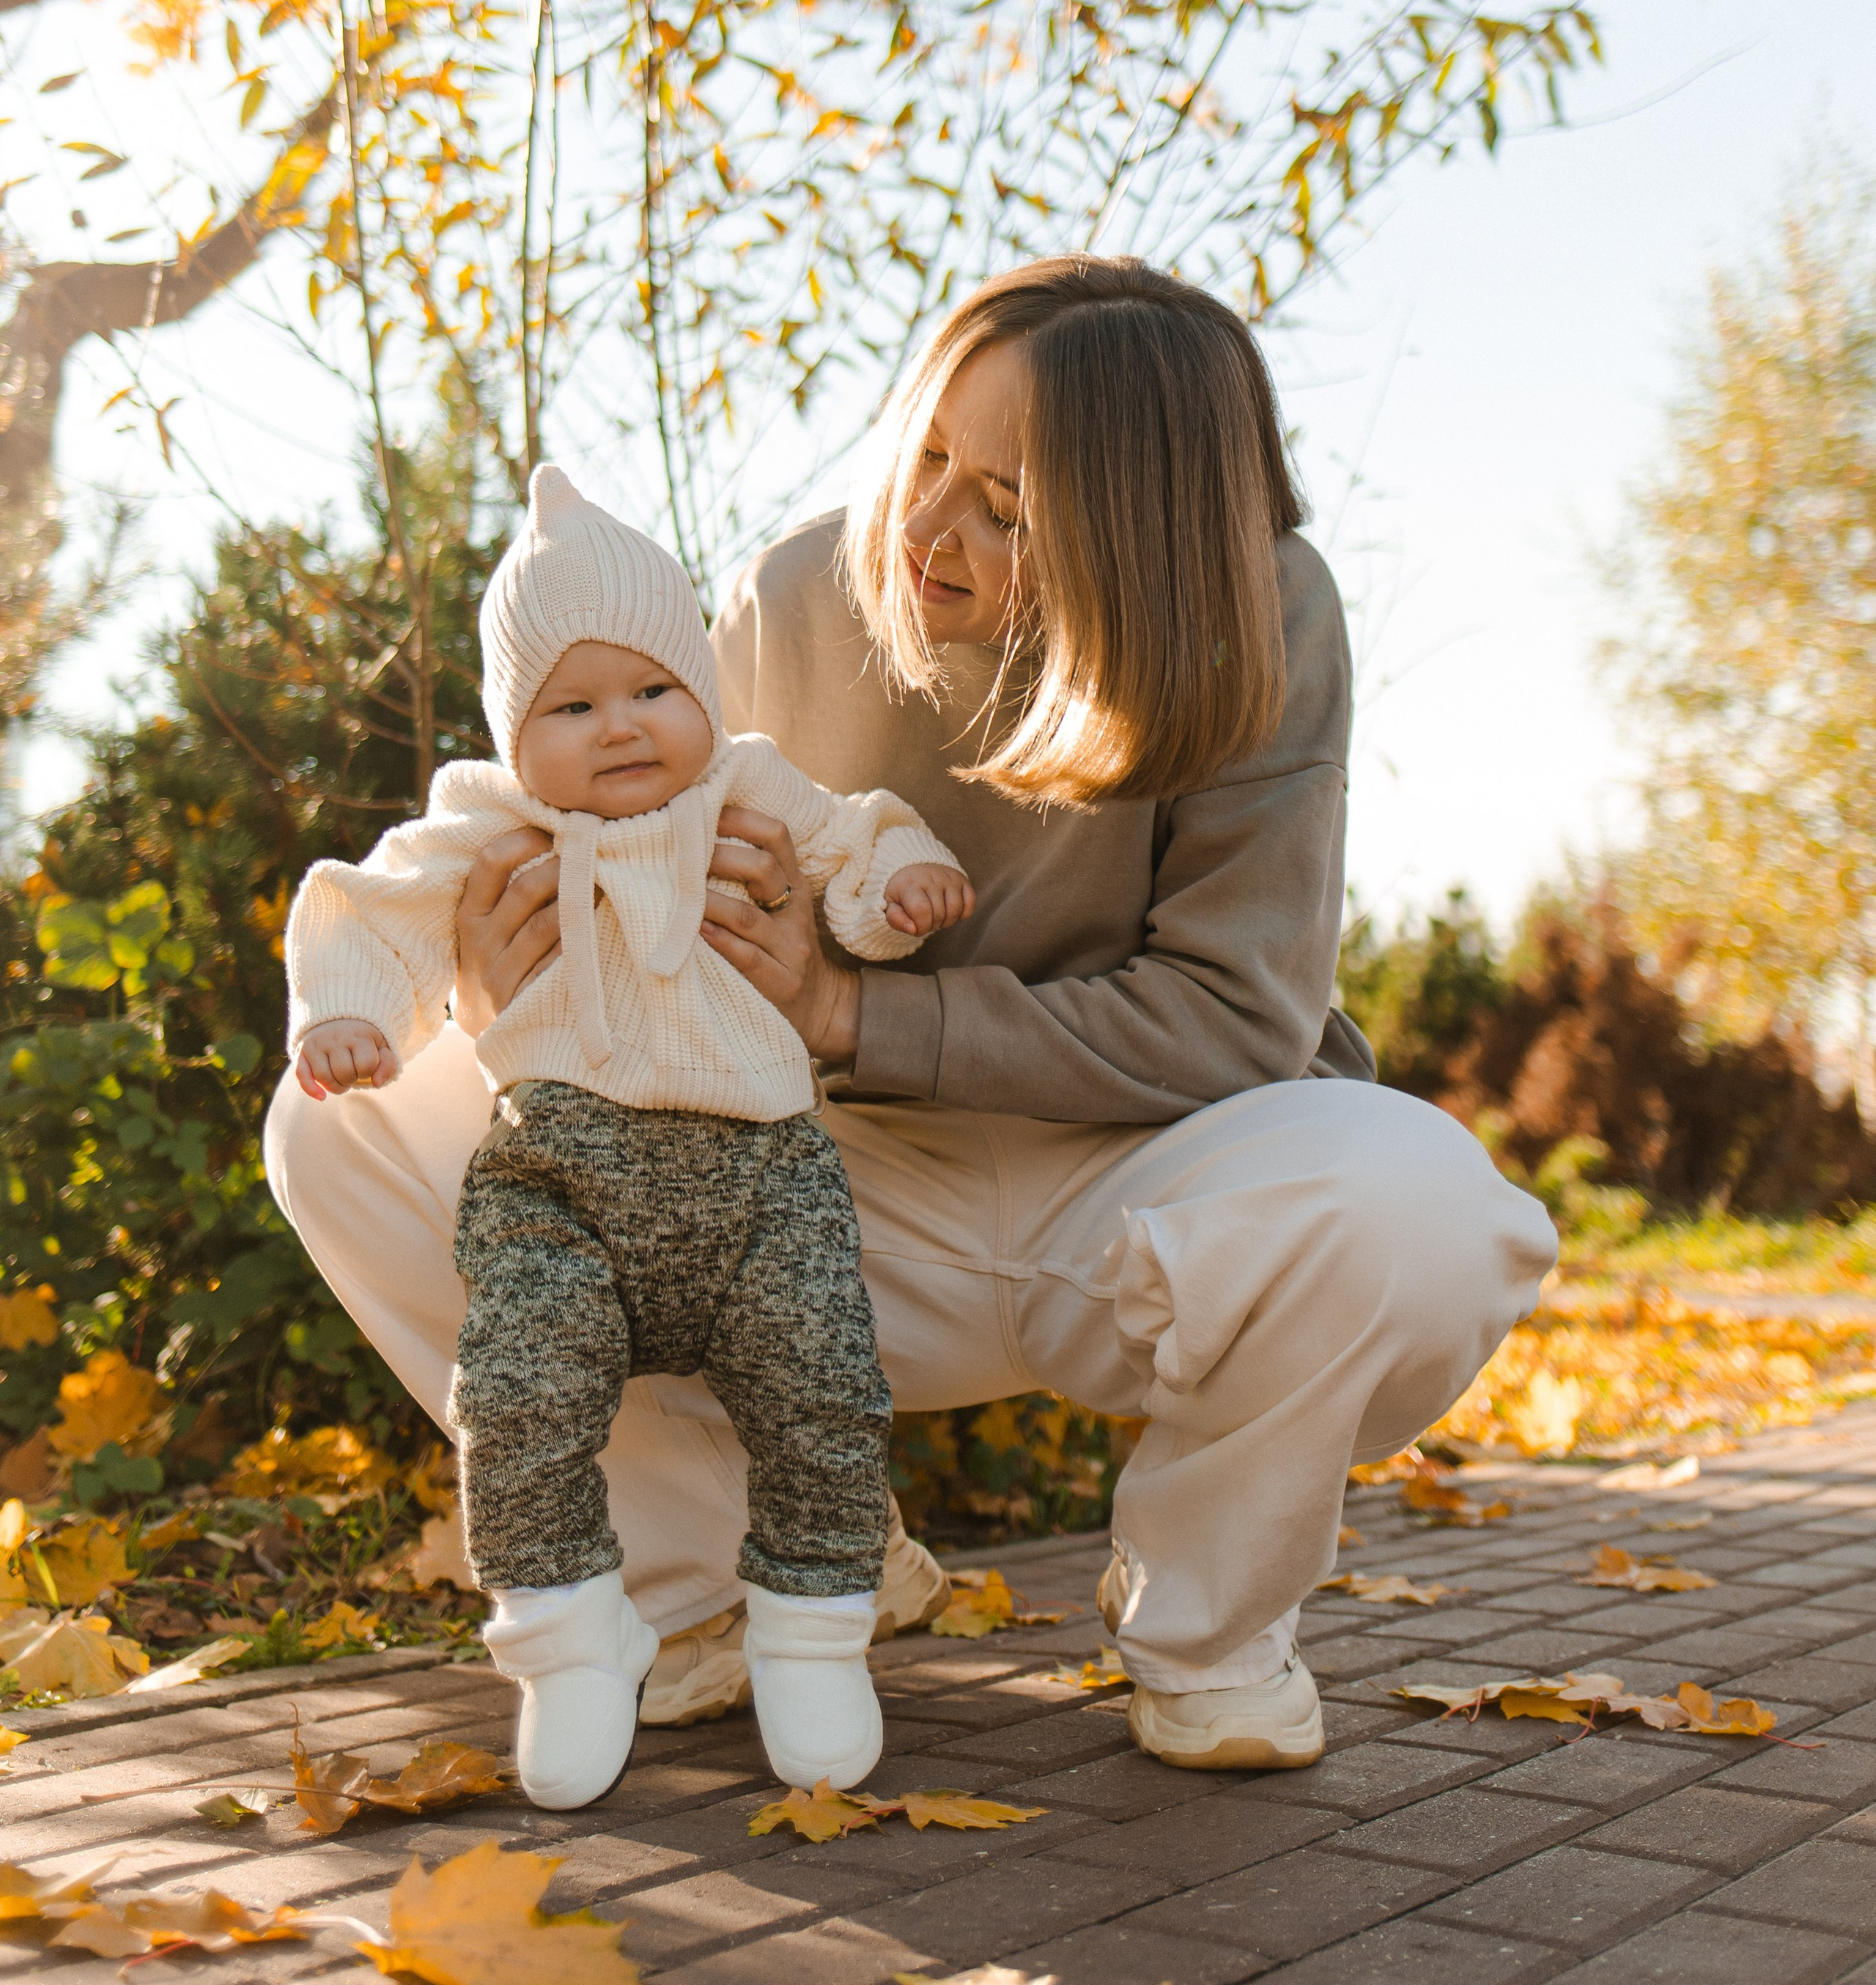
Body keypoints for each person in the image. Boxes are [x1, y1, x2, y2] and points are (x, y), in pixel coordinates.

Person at [267, 255, 1556, 1775]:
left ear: (1146, 542)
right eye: (927, 456)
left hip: (1150, 1176)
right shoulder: (791, 598)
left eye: (1006, 509)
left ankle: (1207, 1633)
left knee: (1419, 1202)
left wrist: (853, 1012)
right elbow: (640, 910)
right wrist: (509, 1011)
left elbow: (1235, 1016)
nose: (930, 527)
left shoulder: (1259, 612)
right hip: (818, 1189)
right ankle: (711, 1580)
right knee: (344, 1128)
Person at [283, 465, 972, 1805]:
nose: (621, 728)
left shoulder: (751, 784)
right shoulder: (492, 823)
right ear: (511, 729)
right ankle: (569, 1640)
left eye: (653, 690)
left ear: (702, 696)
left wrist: (901, 888)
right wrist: (351, 1014)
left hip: (765, 1175)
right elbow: (367, 906)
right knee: (521, 1399)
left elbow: (853, 844)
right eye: (573, 704)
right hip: (561, 1176)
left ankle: (814, 1633)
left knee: (823, 1391)